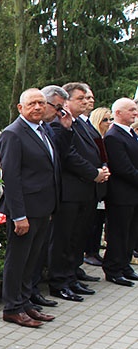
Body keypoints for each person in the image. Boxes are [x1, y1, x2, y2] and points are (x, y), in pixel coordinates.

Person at [0, 88, 72, 327]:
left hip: (43, 208)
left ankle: (26, 301)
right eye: (32, 104)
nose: (38, 107)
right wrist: (19, 215)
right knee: (18, 259)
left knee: (33, 260)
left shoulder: (43, 131)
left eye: (41, 103)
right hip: (25, 211)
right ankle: (12, 307)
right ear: (21, 108)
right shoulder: (13, 134)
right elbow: (12, 177)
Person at [46, 83, 108, 302]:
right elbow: (68, 155)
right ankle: (59, 281)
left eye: (87, 98)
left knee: (76, 238)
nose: (86, 102)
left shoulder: (79, 123)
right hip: (70, 189)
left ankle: (71, 276)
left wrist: (101, 167)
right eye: (80, 98)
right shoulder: (58, 124)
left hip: (85, 190)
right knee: (63, 239)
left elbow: (94, 149)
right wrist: (93, 172)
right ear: (66, 101)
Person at [101, 98, 138, 287]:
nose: (135, 113)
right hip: (121, 194)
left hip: (133, 193)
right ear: (118, 113)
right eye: (131, 110)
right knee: (118, 233)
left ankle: (124, 264)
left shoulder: (131, 133)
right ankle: (113, 268)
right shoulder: (113, 136)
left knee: (131, 232)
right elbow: (123, 168)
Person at [83, 107, 113, 267]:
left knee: (98, 220)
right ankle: (90, 251)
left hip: (102, 186)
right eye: (105, 120)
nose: (109, 123)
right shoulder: (95, 138)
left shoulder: (103, 138)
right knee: (93, 222)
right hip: (93, 184)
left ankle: (94, 250)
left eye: (110, 119)